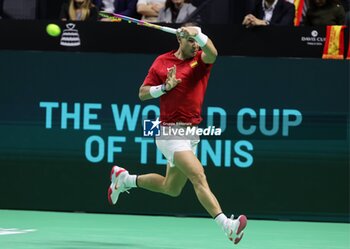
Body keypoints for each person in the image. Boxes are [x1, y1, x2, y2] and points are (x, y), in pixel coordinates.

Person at [107, 23, 248, 245]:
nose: (195, 45)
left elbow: (213, 52)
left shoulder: (201, 60)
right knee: (198, 176)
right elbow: (142, 94)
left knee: (171, 188)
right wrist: (164, 88)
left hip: (191, 133)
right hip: (169, 133)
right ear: (179, 40)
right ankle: (227, 226)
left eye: (196, 41)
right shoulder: (162, 62)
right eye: (190, 40)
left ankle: (125, 179)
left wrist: (199, 34)